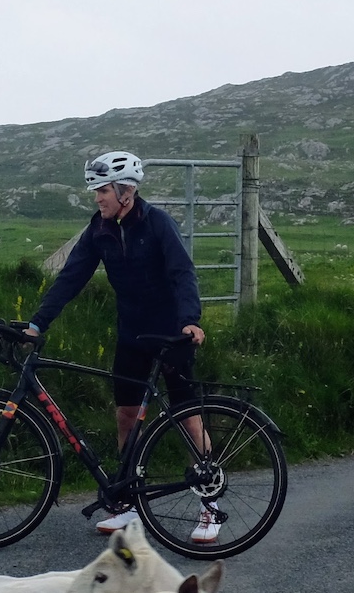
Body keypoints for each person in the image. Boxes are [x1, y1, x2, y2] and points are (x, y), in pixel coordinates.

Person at [25, 150, 222, 543]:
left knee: (187, 417)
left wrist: (191, 320)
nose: (97, 197)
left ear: (126, 191)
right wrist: (36, 323)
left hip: (171, 333)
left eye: (102, 190)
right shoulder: (99, 229)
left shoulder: (157, 223)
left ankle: (210, 505)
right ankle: (130, 505)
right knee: (126, 416)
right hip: (131, 334)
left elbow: (183, 272)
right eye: (95, 190)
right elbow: (71, 277)